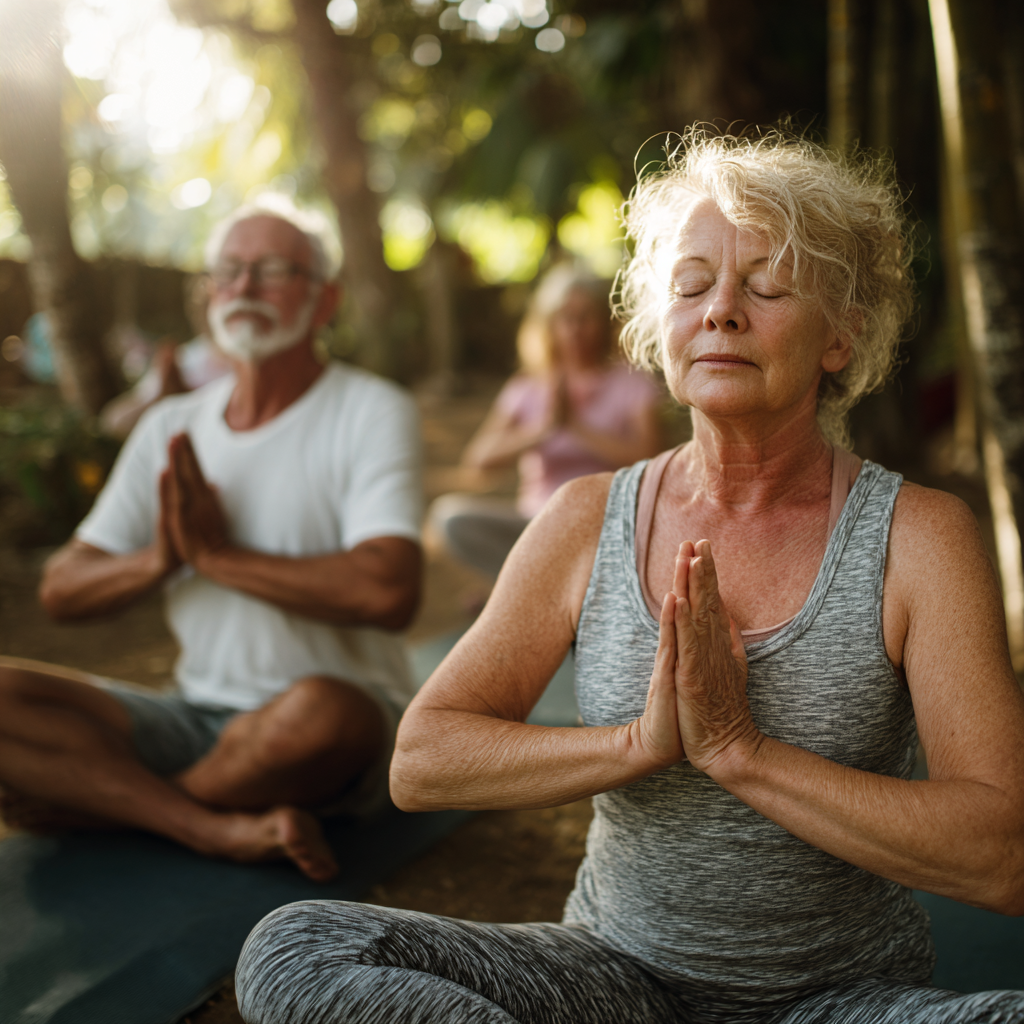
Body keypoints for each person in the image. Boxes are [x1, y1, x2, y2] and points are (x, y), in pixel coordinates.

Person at [234, 131, 1024, 1023]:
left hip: (839, 1002)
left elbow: (1002, 856)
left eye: (766, 285)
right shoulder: (586, 519)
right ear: (663, 325)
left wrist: (740, 752)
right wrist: (637, 747)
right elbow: (422, 761)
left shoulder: (917, 536)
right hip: (614, 984)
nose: (721, 310)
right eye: (691, 285)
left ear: (840, 334)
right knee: (299, 945)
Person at [0, 200, 423, 883]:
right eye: (228, 271)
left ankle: (104, 806)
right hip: (196, 714)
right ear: (208, 295)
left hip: (340, 723)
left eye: (272, 270)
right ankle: (207, 824)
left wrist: (220, 559)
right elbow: (61, 589)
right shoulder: (169, 423)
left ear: (324, 302)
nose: (245, 287)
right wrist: (160, 560)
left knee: (323, 712)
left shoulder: (372, 410)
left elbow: (388, 591)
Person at [430, 264, 662, 579]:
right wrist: (542, 430)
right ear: (549, 325)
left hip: (606, 529)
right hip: (535, 526)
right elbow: (477, 463)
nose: (576, 328)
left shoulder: (632, 384)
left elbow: (651, 460)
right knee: (450, 518)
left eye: (586, 317)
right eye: (566, 318)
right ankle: (530, 589)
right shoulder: (527, 388)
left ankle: (534, 591)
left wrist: (576, 428)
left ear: (604, 322)